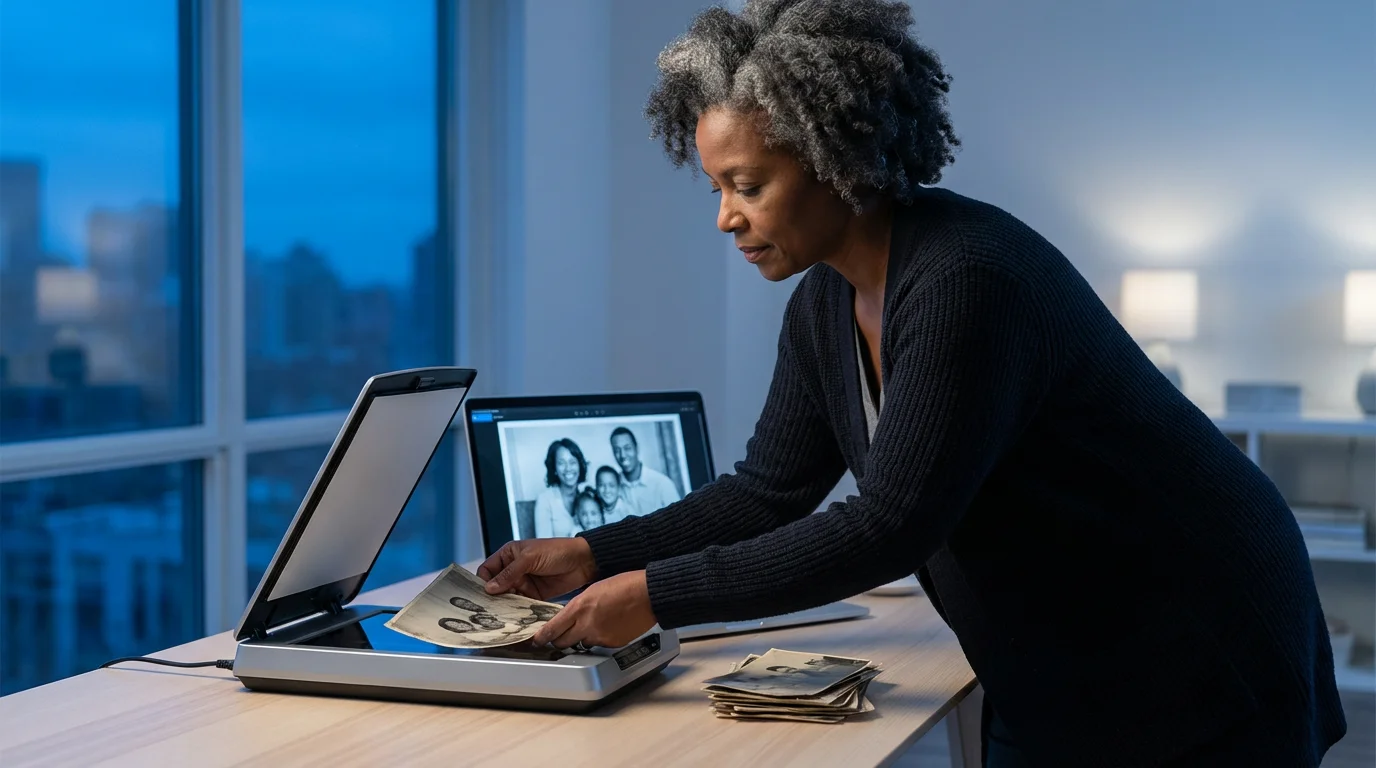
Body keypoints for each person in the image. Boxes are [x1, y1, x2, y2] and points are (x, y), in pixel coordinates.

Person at [479, 1, 1347, 765]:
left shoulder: (968, 280)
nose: (726, 217)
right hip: (1063, 651)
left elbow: (890, 525)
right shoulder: (826, 303)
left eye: (748, 185)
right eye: (716, 186)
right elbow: (769, 489)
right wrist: (597, 553)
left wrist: (655, 596)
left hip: (1195, 643)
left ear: (837, 156)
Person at [609, 427, 680, 513]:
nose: (622, 455)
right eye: (617, 450)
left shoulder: (662, 484)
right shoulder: (612, 487)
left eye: (627, 448)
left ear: (637, 448)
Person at [530, 438, 587, 538]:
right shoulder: (545, 500)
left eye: (572, 462)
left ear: (580, 465)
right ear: (554, 469)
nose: (568, 468)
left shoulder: (587, 495)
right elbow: (543, 546)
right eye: (561, 463)